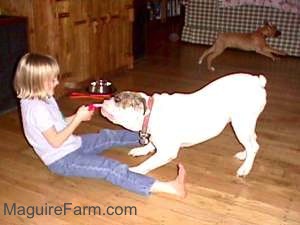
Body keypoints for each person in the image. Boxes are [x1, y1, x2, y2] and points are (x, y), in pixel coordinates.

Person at [14, 53, 186, 197]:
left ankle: (148, 135)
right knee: (110, 168)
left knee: (107, 136)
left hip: (72, 144)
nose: (56, 83)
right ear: (35, 82)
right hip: (62, 159)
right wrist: (77, 119)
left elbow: (56, 124)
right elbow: (55, 141)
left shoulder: (43, 96)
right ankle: (168, 187)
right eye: (51, 80)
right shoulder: (36, 109)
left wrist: (75, 116)